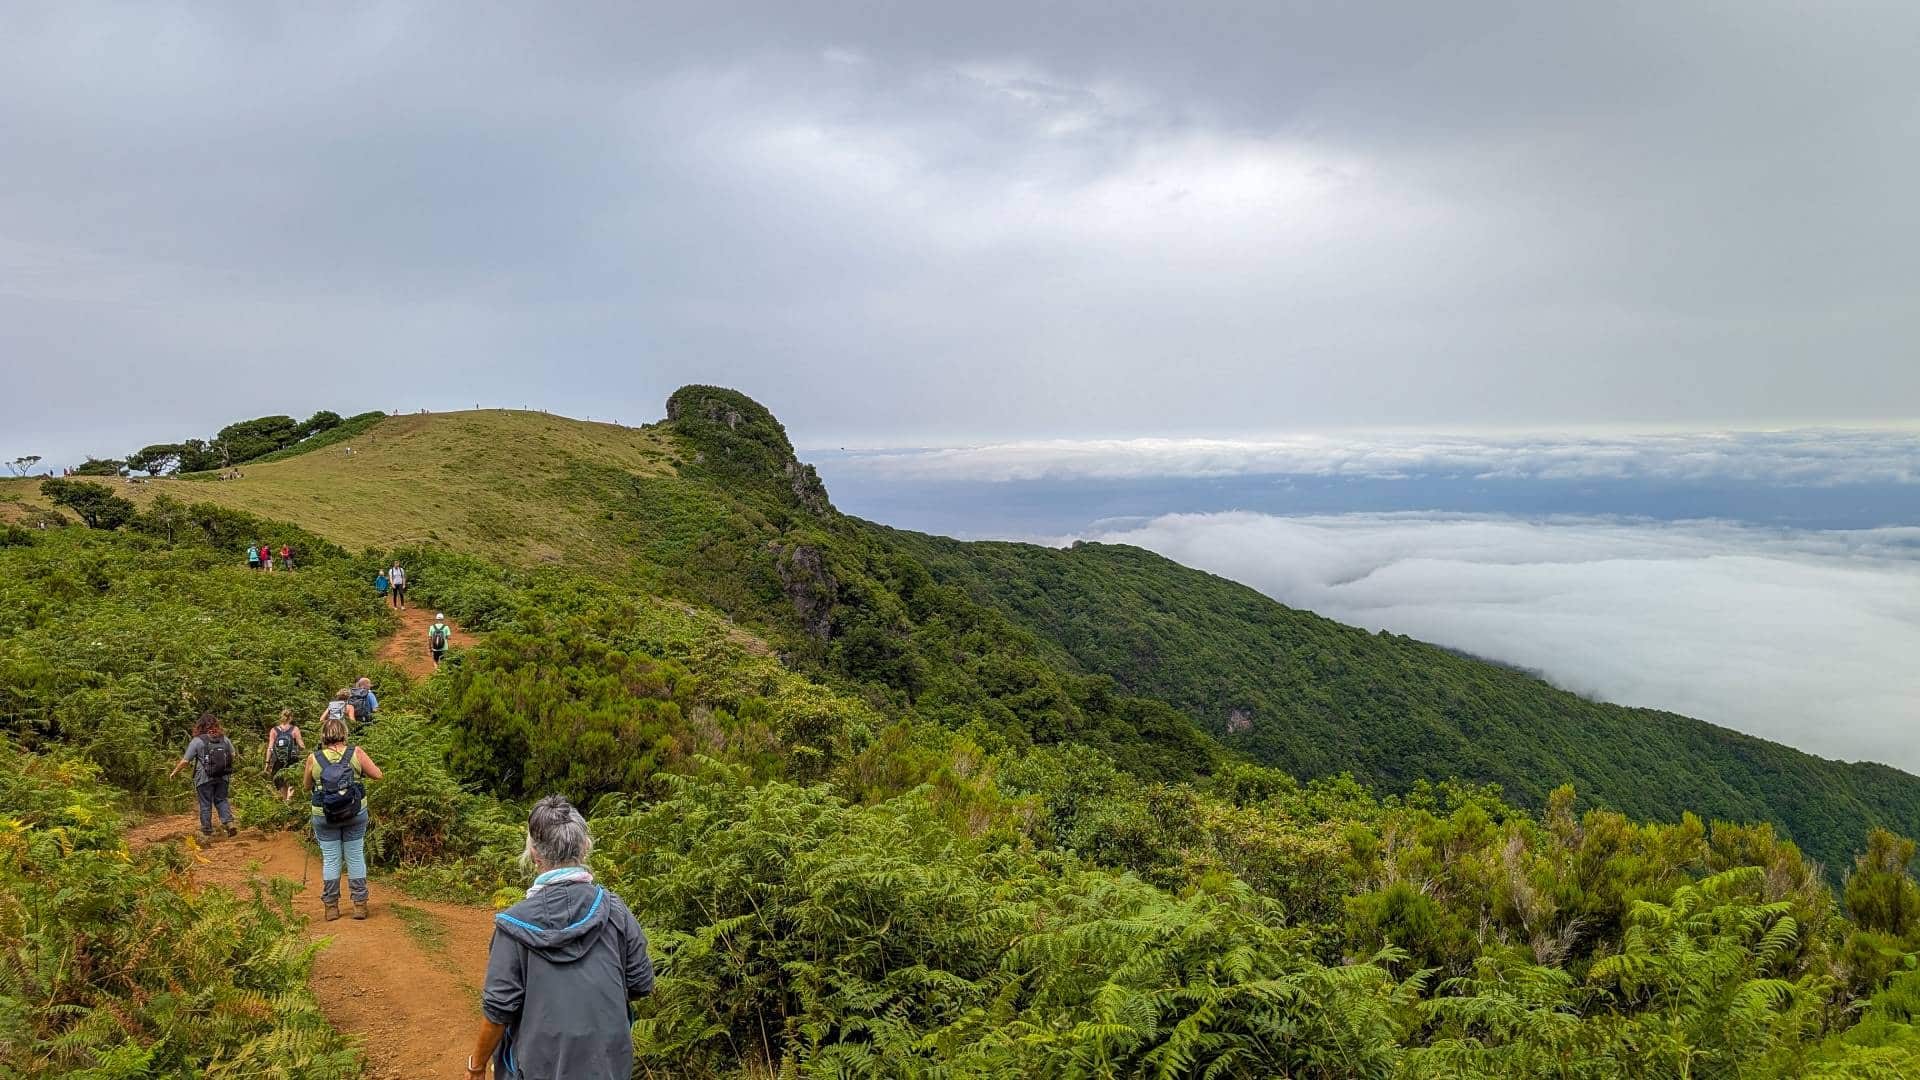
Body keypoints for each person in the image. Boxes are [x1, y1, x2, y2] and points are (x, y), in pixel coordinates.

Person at [464, 796, 652, 1080]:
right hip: (608, 1067)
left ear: (535, 856)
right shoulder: (615, 911)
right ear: (585, 847)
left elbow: (498, 1012)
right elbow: (640, 984)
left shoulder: (513, 926)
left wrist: (477, 1065)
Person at [302, 714, 383, 921]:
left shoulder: (314, 757)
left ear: (323, 736)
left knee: (331, 859)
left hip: (324, 814)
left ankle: (331, 907)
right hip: (355, 812)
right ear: (344, 734)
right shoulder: (355, 752)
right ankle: (359, 905)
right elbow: (377, 775)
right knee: (355, 855)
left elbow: (307, 786)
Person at [169, 713, 238, 838]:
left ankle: (207, 830)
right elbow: (233, 755)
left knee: (205, 802)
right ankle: (229, 823)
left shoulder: (197, 741)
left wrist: (175, 772)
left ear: (199, 726)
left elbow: (185, 761)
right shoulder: (224, 739)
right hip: (223, 776)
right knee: (221, 800)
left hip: (204, 777)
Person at [264, 707, 306, 803]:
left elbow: (270, 748)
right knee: (292, 781)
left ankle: (285, 802)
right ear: (290, 718)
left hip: (278, 760)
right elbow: (302, 745)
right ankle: (289, 800)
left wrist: (267, 762)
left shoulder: (274, 730)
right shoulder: (295, 729)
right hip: (292, 759)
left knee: (281, 782)